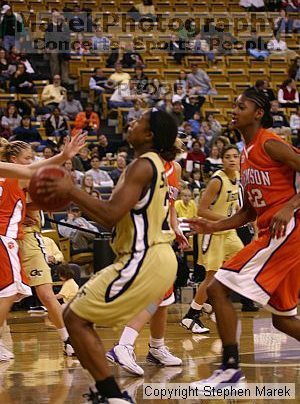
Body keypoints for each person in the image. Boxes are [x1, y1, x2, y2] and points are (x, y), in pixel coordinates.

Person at [36, 109, 179, 403]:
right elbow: (113, 213)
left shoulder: (142, 166)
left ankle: (114, 394)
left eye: (139, 122)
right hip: (153, 257)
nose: (132, 123)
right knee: (75, 317)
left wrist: (71, 190)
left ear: (149, 135)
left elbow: (111, 215)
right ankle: (111, 391)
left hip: (144, 257)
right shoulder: (151, 164)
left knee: (74, 318)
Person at [185, 88, 300, 389]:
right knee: (282, 319)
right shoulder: (246, 156)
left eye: (241, 106)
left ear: (258, 113)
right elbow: (248, 212)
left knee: (217, 288)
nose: (234, 110)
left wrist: (290, 206)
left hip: (286, 232)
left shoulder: (271, 144)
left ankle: (230, 372)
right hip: (272, 232)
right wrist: (214, 226)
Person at [0, 132, 85, 360]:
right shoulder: (17, 175)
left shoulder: (18, 176)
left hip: (25, 238)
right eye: (28, 157)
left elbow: (30, 200)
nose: (32, 160)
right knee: (7, 293)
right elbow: (31, 179)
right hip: (11, 236)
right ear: (14, 159)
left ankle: (67, 339)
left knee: (45, 293)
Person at [105, 155, 187, 376]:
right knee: (156, 294)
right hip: (142, 237)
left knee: (165, 298)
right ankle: (124, 345)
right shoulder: (143, 166)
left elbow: (170, 204)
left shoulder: (175, 168)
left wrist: (175, 225)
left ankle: (157, 347)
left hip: (162, 236)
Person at [181, 145, 243, 334]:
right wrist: (228, 220)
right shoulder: (218, 180)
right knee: (211, 277)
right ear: (221, 160)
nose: (232, 160)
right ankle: (191, 316)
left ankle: (209, 303)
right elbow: (202, 210)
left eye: (235, 156)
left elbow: (237, 205)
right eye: (228, 157)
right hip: (213, 232)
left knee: (242, 263)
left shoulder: (238, 176)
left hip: (229, 232)